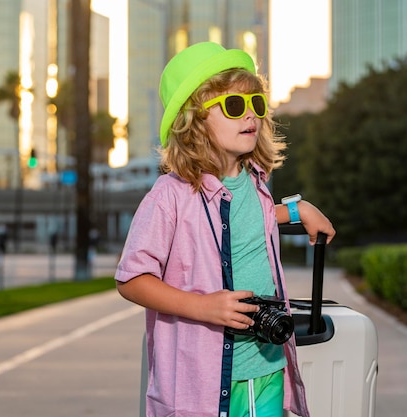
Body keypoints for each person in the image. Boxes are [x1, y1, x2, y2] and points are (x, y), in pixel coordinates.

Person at [115, 41, 335, 417]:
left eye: (256, 104)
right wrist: (203, 307)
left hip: (267, 368)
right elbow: (132, 279)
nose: (250, 115)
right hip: (201, 381)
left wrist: (297, 209)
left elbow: (250, 221)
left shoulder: (255, 182)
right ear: (193, 120)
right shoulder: (170, 196)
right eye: (235, 105)